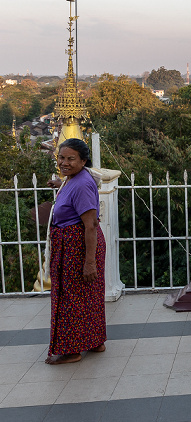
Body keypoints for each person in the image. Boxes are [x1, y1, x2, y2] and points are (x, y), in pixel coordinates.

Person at [45, 138, 107, 364]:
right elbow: (71, 192)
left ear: (83, 161)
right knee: (88, 295)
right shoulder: (74, 179)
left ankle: (71, 350)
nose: (64, 162)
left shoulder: (80, 184)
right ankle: (95, 341)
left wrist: (89, 262)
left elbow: (90, 224)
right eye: (61, 157)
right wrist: (59, 184)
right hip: (75, 246)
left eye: (71, 159)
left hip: (78, 248)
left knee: (70, 297)